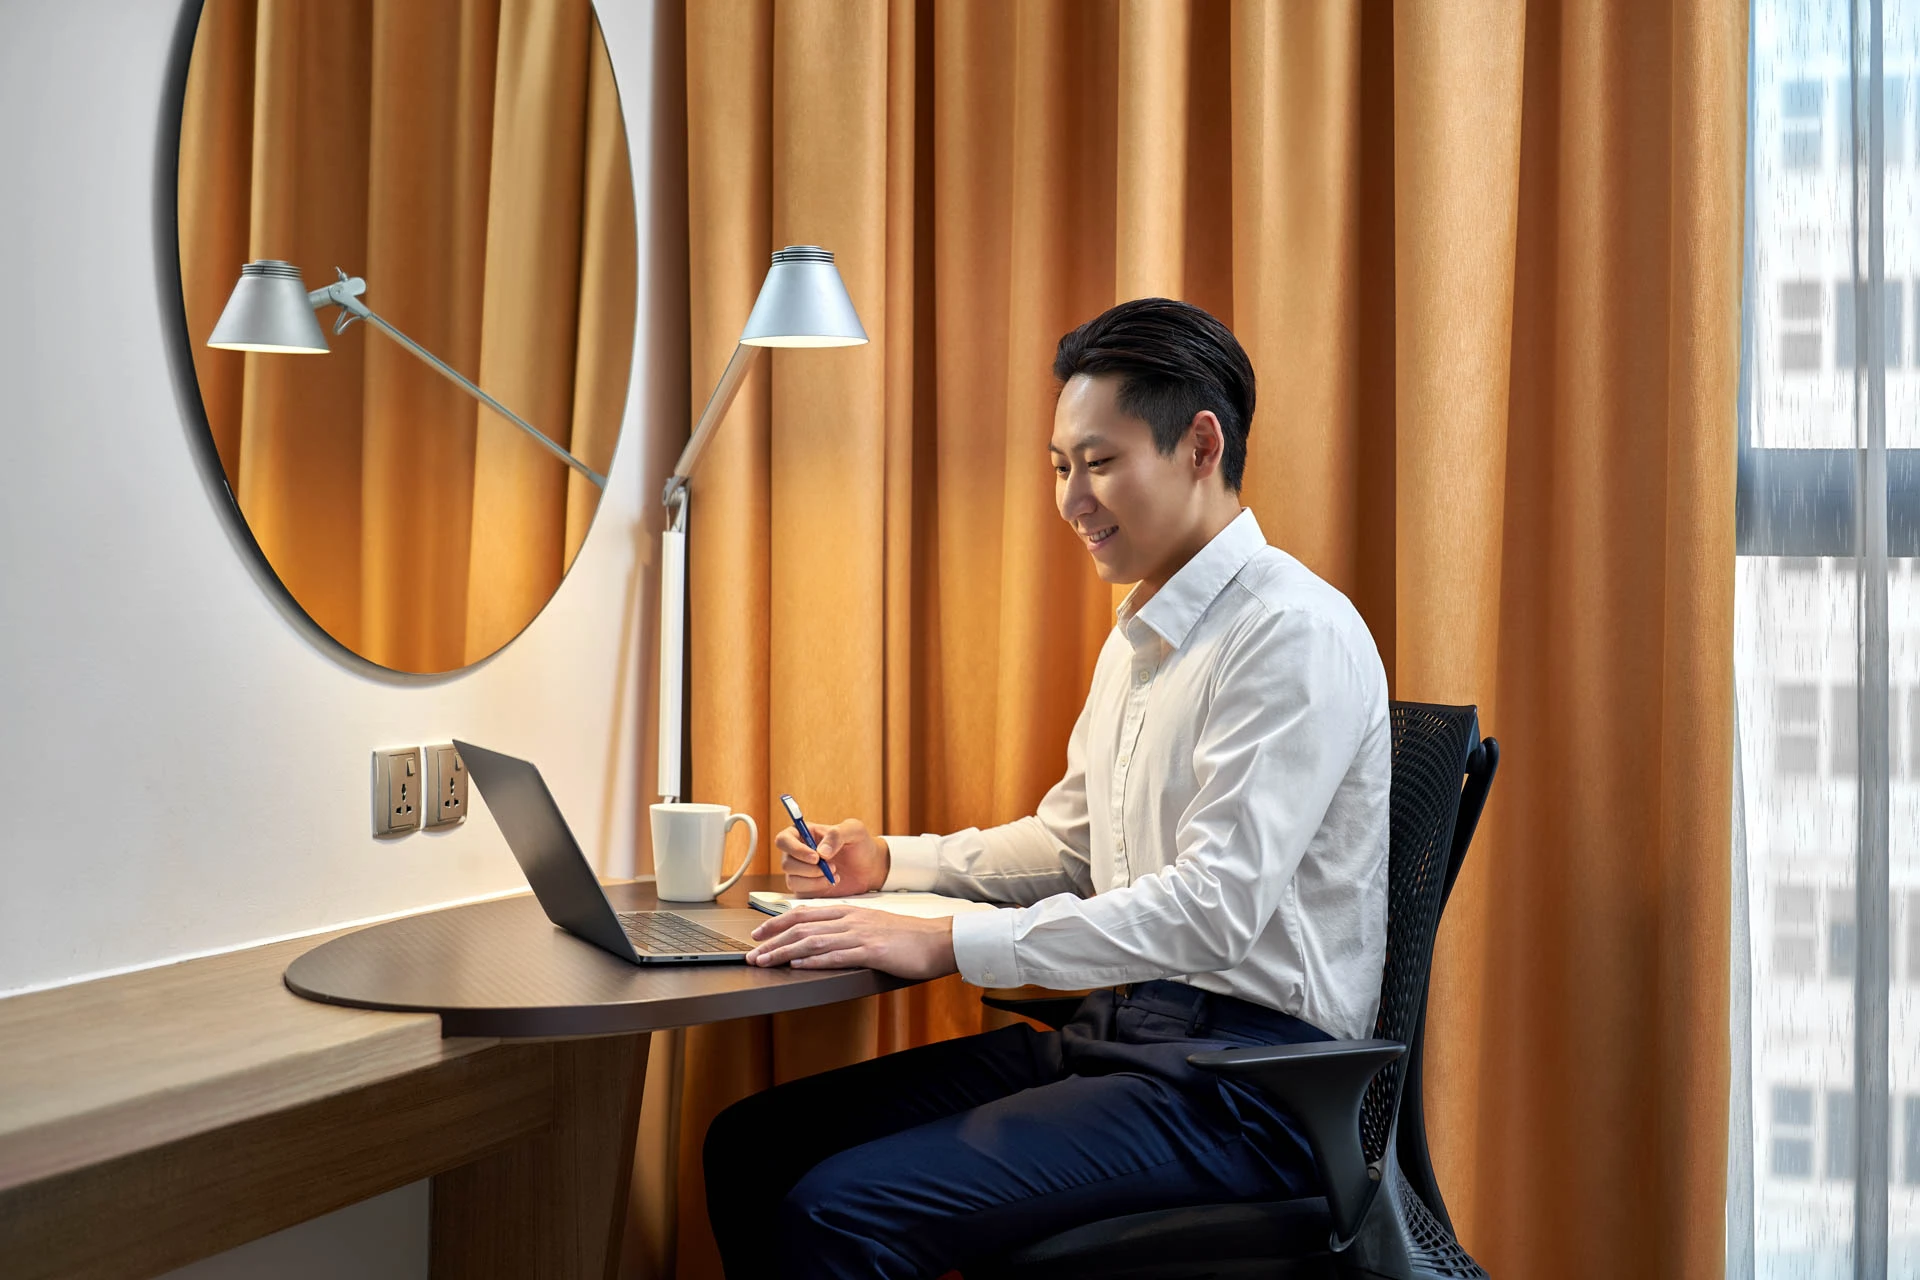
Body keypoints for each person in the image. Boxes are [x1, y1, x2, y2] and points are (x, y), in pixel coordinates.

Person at [703, 297, 1390, 1279]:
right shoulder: (1143, 636)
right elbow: (1071, 845)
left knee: (837, 1212)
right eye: (1061, 467)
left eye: (1099, 462)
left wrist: (945, 937)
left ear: (1202, 445)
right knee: (755, 1146)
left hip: (1250, 1086)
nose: (1071, 500)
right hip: (1128, 1040)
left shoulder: (1290, 633)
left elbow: (1213, 908)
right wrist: (894, 859)